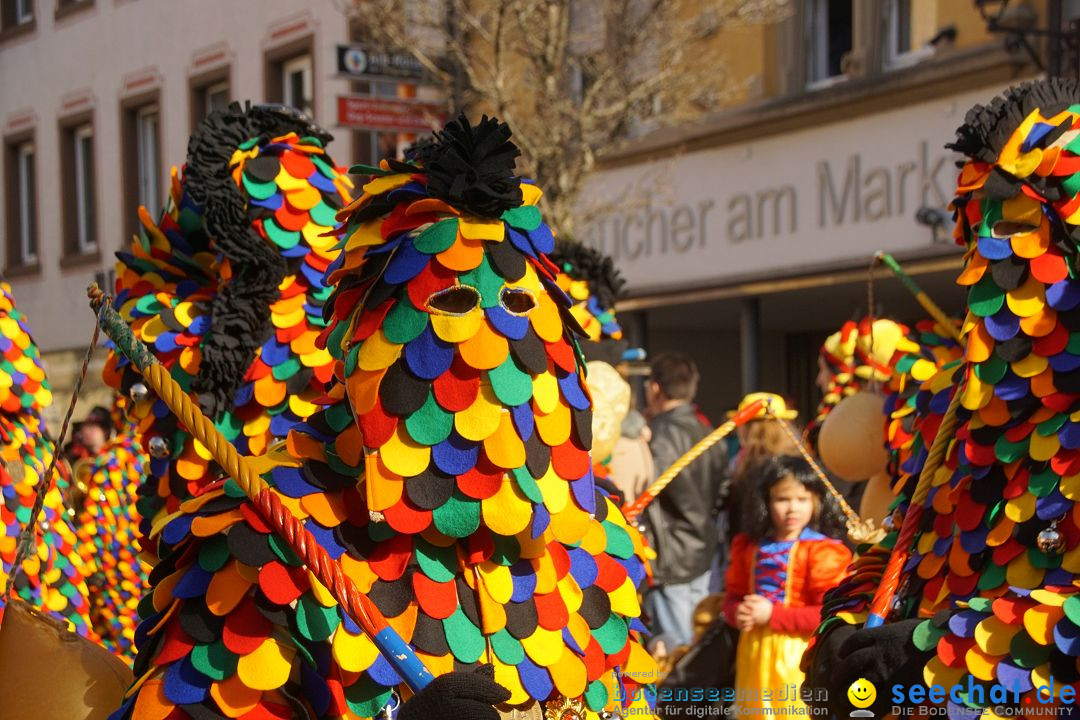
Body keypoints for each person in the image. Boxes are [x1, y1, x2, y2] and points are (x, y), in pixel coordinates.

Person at [724, 455, 850, 715]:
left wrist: (772, 615)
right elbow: (732, 596)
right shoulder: (747, 547)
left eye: (802, 499)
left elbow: (830, 614)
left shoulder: (823, 552)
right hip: (753, 652)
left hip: (799, 655)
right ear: (766, 501)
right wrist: (737, 613)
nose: (792, 508)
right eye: (782, 499)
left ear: (816, 501)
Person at [642, 352, 728, 651]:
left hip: (670, 557)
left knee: (677, 654)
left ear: (655, 389)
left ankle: (683, 701)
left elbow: (644, 490)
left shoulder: (659, 435)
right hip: (703, 552)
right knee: (698, 646)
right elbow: (723, 490)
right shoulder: (708, 432)